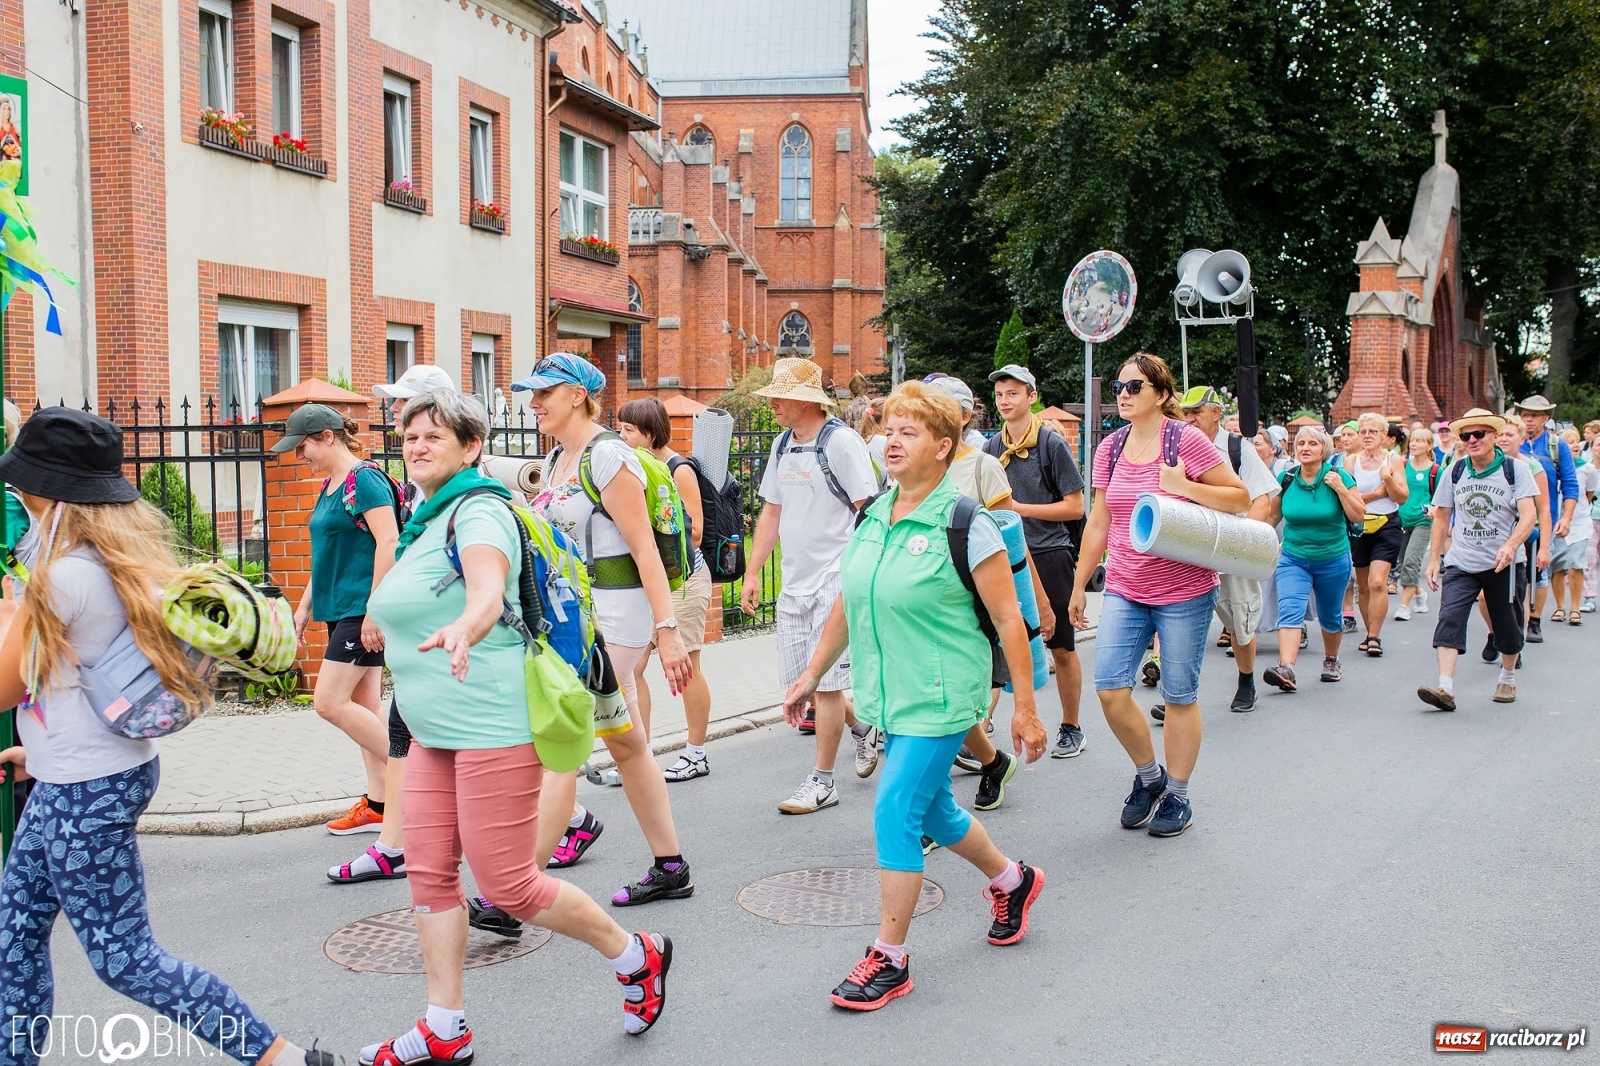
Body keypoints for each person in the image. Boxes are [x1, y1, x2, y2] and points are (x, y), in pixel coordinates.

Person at [0, 408, 341, 1066]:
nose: (15, 494)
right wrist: (34, 751)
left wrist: (9, 599)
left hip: (85, 790)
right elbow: (69, 680)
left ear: (47, 490)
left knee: (127, 961)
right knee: (15, 935)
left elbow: (3, 685)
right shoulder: (93, 559)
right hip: (76, 778)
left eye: (22, 484)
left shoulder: (62, 576)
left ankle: (280, 1058)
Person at [362, 388, 673, 1060]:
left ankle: (635, 955)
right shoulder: (422, 519)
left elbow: (486, 588)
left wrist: (469, 626)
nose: (417, 445)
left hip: (493, 723)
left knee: (507, 885)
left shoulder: (476, 512)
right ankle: (444, 1028)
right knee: (430, 872)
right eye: (410, 435)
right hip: (431, 731)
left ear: (471, 447)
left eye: (433, 436)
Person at [781, 382, 1047, 1011]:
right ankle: (1014, 880)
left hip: (943, 693)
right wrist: (812, 674)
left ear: (943, 447)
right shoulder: (875, 515)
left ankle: (890, 958)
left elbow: (1009, 621)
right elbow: (848, 601)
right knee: (931, 813)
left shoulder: (965, 522)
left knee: (894, 809)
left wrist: (1028, 707)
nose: (891, 441)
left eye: (909, 431)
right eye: (889, 429)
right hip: (888, 693)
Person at [515, 354, 696, 907]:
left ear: (577, 395)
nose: (533, 403)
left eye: (544, 392)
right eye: (531, 393)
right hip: (578, 619)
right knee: (628, 744)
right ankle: (671, 865)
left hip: (617, 617)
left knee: (562, 742)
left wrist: (667, 631)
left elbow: (644, 549)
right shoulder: (555, 459)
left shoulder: (610, 456)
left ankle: (516, 891)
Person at [1068, 353, 1249, 838]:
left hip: (1184, 588)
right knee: (1109, 689)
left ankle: (1180, 797)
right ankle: (1150, 778)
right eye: (1121, 387)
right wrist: (1080, 584)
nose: (1123, 395)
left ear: (1161, 395)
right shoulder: (1109, 448)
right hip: (1127, 586)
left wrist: (1184, 485)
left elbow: (1239, 498)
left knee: (1178, 696)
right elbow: (1100, 521)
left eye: (1135, 387)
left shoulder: (1183, 440)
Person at [326, 364, 461, 886]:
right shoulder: (421, 484)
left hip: (453, 643)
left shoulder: (466, 491)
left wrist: (380, 609)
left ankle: (567, 819)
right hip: (425, 641)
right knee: (407, 735)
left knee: (456, 750)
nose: (394, 413)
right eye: (406, 422)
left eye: (407, 405)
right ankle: (394, 845)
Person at [742, 357, 882, 814]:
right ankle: (864, 731)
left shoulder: (840, 443)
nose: (774, 405)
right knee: (807, 682)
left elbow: (869, 509)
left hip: (834, 577)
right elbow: (772, 512)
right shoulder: (783, 445)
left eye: (779, 396)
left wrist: (861, 574)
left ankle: (823, 781)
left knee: (822, 686)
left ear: (805, 399)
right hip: (795, 581)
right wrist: (752, 572)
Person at [276, 404, 402, 842]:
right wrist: (304, 608)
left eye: (304, 445)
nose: (300, 455)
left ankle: (423, 782)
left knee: (328, 702)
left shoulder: (363, 480)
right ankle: (380, 804)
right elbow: (324, 557)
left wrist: (374, 609)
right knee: (365, 709)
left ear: (328, 436)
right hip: (339, 609)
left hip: (360, 610)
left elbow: (390, 541)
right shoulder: (331, 486)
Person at [928, 373, 1051, 809]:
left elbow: (1010, 542)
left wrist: (1038, 602)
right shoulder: (917, 466)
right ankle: (991, 763)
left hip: (976, 602)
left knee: (961, 699)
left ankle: (932, 808)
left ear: (961, 416)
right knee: (946, 702)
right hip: (931, 603)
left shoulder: (983, 466)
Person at [984, 364, 1090, 759]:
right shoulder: (991, 449)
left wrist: (1018, 510)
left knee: (1061, 646)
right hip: (1002, 558)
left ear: (1031, 396)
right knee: (997, 644)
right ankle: (983, 723)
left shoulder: (1050, 445)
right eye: (999, 395)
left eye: (1013, 393)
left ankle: (1071, 725)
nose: (1005, 401)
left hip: (1048, 554)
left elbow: (1076, 507)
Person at [615, 397, 717, 779]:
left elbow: (694, 532)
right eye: (620, 428)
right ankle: (641, 751)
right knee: (633, 666)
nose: (621, 436)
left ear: (650, 433)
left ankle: (696, 752)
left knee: (685, 665)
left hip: (685, 580)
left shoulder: (678, 469)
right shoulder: (632, 469)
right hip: (649, 581)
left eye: (628, 430)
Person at [1418, 409, 1538, 709]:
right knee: (1449, 617)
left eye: (1479, 434)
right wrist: (1434, 559)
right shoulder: (1456, 470)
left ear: (1494, 436)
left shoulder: (1515, 470)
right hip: (1462, 560)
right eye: (1465, 436)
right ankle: (1445, 688)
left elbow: (1529, 515)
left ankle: (1507, 677)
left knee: (1507, 624)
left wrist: (1511, 546)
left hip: (1504, 563)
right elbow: (1442, 516)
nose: (1472, 440)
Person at [1178, 386, 1280, 712]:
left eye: (1196, 412)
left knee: (1240, 623)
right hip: (1190, 549)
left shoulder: (1238, 449)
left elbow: (1262, 502)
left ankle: (1246, 679)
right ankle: (1178, 694)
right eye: (1185, 413)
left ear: (1216, 412)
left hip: (1232, 552)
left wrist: (1237, 548)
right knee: (1180, 621)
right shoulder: (1177, 449)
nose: (1189, 419)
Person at [1263, 426, 1364, 689]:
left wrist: (1341, 489)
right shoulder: (1287, 479)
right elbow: (1272, 518)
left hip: (1332, 558)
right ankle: (1286, 668)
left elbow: (1358, 515)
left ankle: (1332, 660)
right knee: (1289, 609)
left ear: (1324, 450)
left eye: (1312, 444)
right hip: (1293, 557)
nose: (1305, 448)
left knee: (1330, 615)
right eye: (1301, 443)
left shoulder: (1339, 476)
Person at [1515, 395, 1578, 643]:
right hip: (1513, 519)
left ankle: (1535, 620)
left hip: (1545, 519)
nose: (1529, 420)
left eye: (1534, 416)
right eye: (1525, 415)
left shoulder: (1556, 445)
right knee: (1512, 570)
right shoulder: (1512, 443)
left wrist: (1567, 517)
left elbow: (1570, 485)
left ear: (1545, 419)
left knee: (1539, 571)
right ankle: (1511, 618)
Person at [1345, 412, 1408, 656]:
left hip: (1387, 525)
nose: (1367, 436)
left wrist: (1387, 482)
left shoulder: (1392, 460)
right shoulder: (1351, 461)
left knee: (1377, 581)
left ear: (1384, 435)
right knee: (1363, 584)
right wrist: (1376, 494)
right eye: (1363, 432)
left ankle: (1374, 636)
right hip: (1359, 526)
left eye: (1373, 431)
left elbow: (1402, 497)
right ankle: (1369, 631)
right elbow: (1347, 496)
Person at [1549, 427, 1596, 625]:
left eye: (1577, 441)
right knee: (1558, 565)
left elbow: (1589, 494)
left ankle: (1575, 608)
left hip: (1580, 522)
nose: (1575, 445)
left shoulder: (1587, 468)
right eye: (1569, 441)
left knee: (1577, 564)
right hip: (1556, 522)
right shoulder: (1552, 468)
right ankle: (1560, 607)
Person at [1394, 425, 1439, 620]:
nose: (1414, 444)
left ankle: (1404, 606)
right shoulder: (1403, 465)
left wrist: (1434, 508)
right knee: (1404, 563)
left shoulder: (1436, 470)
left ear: (1429, 446)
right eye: (1412, 440)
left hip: (1423, 521)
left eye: (1419, 441)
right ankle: (1420, 595)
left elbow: (1441, 498)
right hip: (1403, 520)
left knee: (1412, 562)